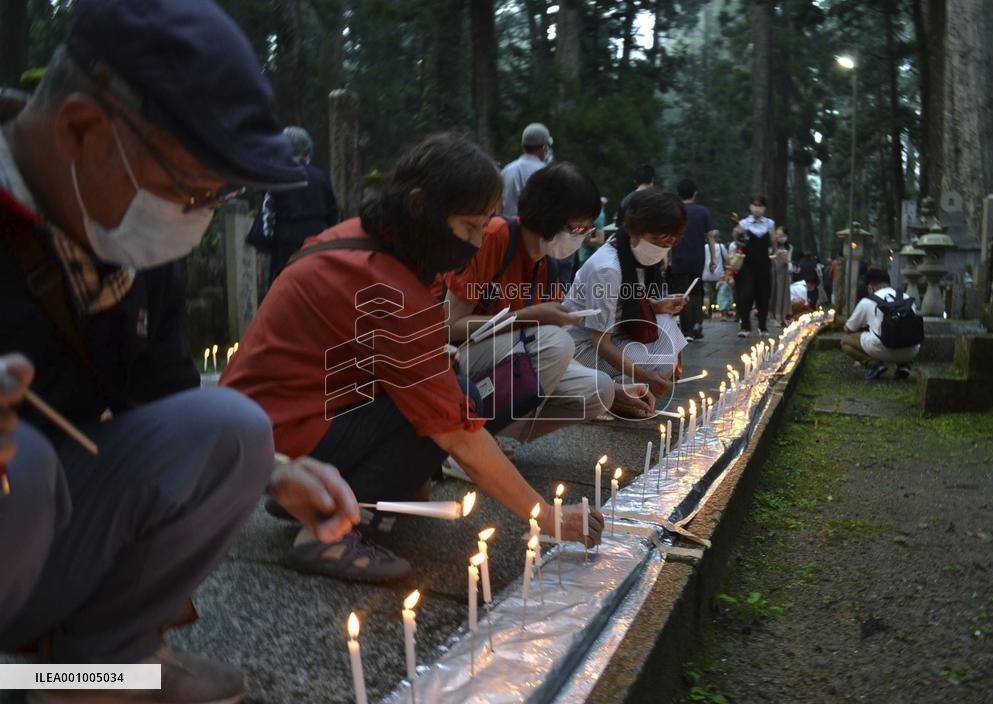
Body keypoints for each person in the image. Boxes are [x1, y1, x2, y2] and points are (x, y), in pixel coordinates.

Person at [0, 2, 358, 701]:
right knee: (25, 464)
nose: (194, 215)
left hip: (46, 541)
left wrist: (277, 471)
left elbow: (163, 394)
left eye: (212, 195)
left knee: (235, 429)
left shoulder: (128, 233)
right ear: (79, 127)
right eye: (187, 189)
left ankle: (95, 665)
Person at [224, 135, 604, 583]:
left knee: (447, 384)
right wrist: (549, 517)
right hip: (268, 439)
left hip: (265, 424)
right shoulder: (384, 285)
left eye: (485, 226)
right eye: (468, 228)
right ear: (421, 206)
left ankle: (318, 492)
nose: (479, 242)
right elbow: (459, 434)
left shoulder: (358, 238)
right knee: (450, 404)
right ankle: (329, 533)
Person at [438, 162, 641, 446]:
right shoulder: (495, 236)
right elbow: (448, 327)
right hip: (454, 360)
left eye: (586, 228)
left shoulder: (546, 264)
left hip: (505, 358)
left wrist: (618, 390)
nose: (581, 236)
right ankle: (464, 444)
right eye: (576, 227)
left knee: (599, 390)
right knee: (557, 342)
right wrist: (528, 316)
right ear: (548, 217)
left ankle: (492, 431)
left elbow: (540, 348)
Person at [566, 187, 689, 412]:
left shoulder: (634, 255)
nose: (661, 250)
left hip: (614, 335)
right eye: (656, 241)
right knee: (651, 357)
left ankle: (625, 393)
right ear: (634, 230)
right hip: (578, 350)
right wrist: (647, 376)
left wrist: (657, 306)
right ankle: (610, 394)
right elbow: (600, 342)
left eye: (668, 244)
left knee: (668, 326)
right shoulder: (608, 269)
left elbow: (622, 306)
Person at [246, 126, 340, 286]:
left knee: (286, 288)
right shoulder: (321, 176)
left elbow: (268, 215)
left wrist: (268, 244)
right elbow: (333, 212)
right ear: (307, 152)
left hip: (286, 242)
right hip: (318, 239)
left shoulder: (279, 176)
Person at [842, 269, 921, 380]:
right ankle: (904, 366)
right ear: (888, 284)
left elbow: (848, 329)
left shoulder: (867, 301)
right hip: (912, 351)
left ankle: (874, 364)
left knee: (845, 341)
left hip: (882, 349)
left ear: (870, 287)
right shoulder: (906, 298)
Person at [670, 178, 718, 340]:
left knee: (682, 293)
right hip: (697, 258)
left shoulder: (675, 210)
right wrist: (713, 258)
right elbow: (711, 236)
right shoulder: (703, 211)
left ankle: (687, 330)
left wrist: (666, 258)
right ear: (695, 194)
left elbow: (668, 236)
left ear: (678, 194)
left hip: (678, 258)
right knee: (697, 292)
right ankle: (697, 325)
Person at [733, 195, 777, 336]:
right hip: (747, 264)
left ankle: (762, 326)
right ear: (750, 206)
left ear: (764, 207)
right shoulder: (744, 223)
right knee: (745, 294)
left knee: (763, 294)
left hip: (764, 263)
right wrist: (738, 236)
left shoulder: (770, 224)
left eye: (760, 205)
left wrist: (774, 244)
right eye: (755, 205)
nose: (757, 208)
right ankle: (745, 326)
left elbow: (773, 243)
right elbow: (737, 240)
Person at [499, 122, 552, 217]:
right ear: (545, 148)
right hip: (533, 229)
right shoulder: (548, 173)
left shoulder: (507, 170)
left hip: (505, 228)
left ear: (523, 146)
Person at [615, 164, 656, 228]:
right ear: (652, 179)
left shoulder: (626, 200)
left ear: (635, 181)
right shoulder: (660, 199)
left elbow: (619, 225)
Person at [769, 225, 793, 327]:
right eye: (778, 235)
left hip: (784, 273)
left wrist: (785, 257)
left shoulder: (789, 247)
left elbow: (789, 260)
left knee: (784, 294)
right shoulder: (772, 246)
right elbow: (766, 257)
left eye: (783, 235)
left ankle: (783, 318)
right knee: (773, 293)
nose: (780, 237)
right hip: (773, 271)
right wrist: (776, 255)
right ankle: (772, 317)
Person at [703, 236, 726, 317]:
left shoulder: (705, 247)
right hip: (719, 275)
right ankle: (720, 312)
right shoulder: (721, 246)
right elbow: (726, 258)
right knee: (720, 293)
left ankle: (706, 312)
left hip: (706, 274)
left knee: (707, 294)